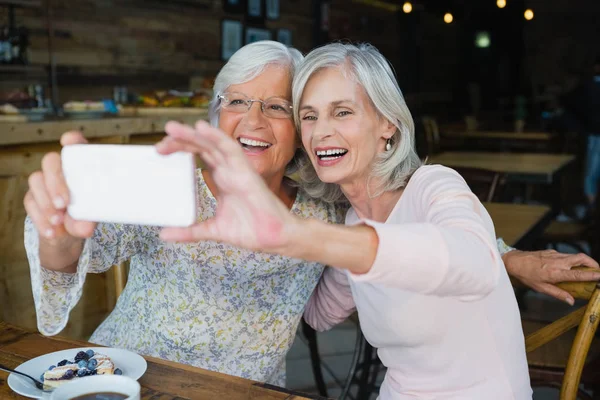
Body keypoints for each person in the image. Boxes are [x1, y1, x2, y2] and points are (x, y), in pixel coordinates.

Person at [24, 40, 598, 388]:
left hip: (244, 391)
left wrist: (512, 259)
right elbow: (73, 250)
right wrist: (57, 234)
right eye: (237, 102)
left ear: (295, 133)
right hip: (128, 376)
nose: (253, 121)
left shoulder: (324, 208)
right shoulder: (172, 187)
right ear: (216, 114)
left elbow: (412, 225)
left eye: (276, 107)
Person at [154, 42, 540, 398]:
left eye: (342, 112)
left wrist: (303, 236)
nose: (322, 131)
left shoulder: (433, 185)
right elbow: (318, 312)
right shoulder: (349, 218)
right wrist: (248, 266)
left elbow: (473, 261)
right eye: (309, 115)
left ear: (388, 123)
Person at [562, 56, 600, 217]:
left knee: (591, 174)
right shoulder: (589, 87)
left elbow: (568, 103)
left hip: (594, 134)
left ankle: (591, 211)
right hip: (594, 134)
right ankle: (591, 212)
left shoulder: (588, 87)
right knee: (591, 174)